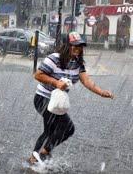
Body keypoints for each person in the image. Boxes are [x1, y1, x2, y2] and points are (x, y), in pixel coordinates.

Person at [28, 31, 114, 164]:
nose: (78, 49)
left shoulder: (78, 63)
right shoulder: (54, 58)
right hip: (43, 98)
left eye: (80, 46)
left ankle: (37, 156)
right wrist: (56, 82)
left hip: (57, 102)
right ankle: (43, 153)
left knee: (51, 130)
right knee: (67, 127)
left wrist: (102, 92)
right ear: (67, 46)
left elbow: (87, 81)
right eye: (74, 45)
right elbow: (38, 75)